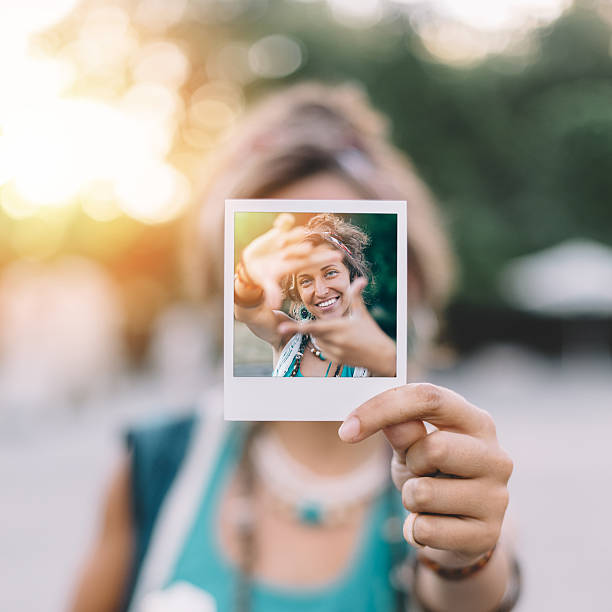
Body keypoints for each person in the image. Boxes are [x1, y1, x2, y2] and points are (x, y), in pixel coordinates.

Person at [70, 83, 518, 612]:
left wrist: (464, 553)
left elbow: (470, 593)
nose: (319, 287)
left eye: (332, 264)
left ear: (405, 274)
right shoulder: (158, 463)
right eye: (294, 273)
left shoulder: (449, 464)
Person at [234, 211, 397, 377]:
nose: (320, 291)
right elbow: (248, 313)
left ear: (353, 276)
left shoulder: (376, 353)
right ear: (298, 292)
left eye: (330, 273)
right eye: (306, 281)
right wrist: (248, 275)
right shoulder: (286, 335)